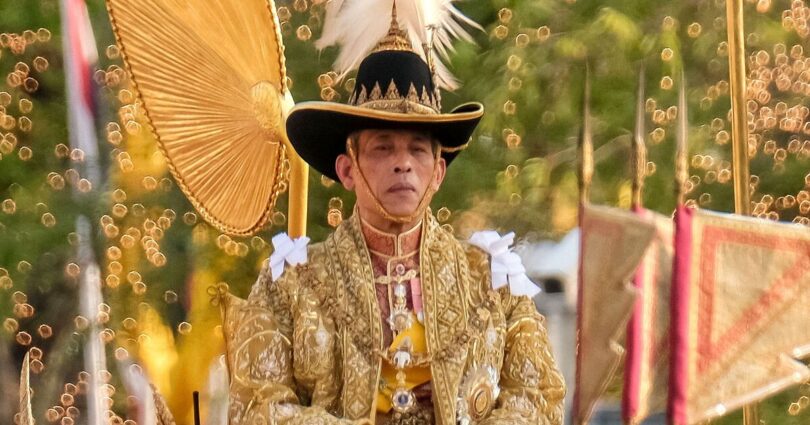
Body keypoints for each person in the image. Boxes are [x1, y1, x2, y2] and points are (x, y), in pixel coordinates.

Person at [223, 7, 565, 425]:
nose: (403, 164)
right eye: (383, 147)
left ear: (437, 173)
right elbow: (259, 407)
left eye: (418, 149)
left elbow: (537, 400)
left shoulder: (494, 281)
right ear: (347, 170)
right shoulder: (289, 284)